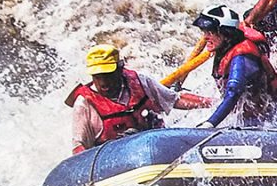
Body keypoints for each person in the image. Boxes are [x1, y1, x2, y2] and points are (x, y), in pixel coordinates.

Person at [66, 44, 212, 154]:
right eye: (98, 77)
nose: (103, 82)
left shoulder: (139, 81)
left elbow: (175, 100)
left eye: (108, 75)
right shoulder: (84, 103)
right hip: (115, 160)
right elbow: (78, 147)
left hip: (157, 148)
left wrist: (212, 103)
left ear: (120, 69)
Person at [192, 5, 277, 128]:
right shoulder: (224, 49)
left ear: (226, 33)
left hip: (271, 121)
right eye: (204, 32)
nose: (205, 37)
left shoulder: (242, 57)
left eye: (210, 32)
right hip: (248, 120)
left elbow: (234, 91)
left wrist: (210, 124)